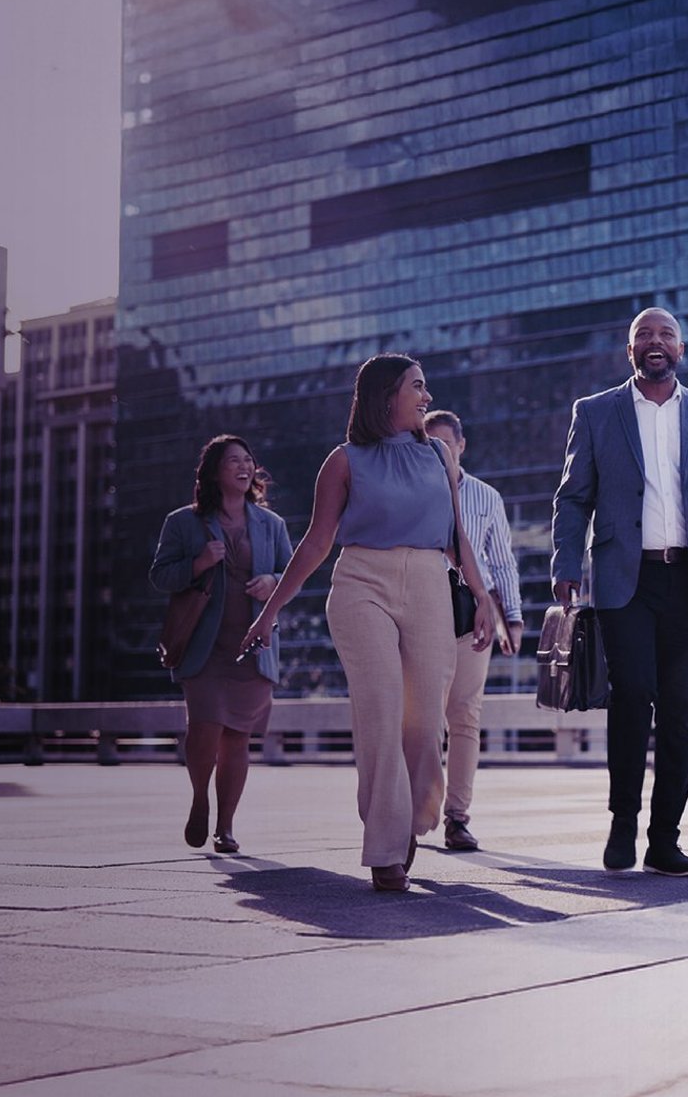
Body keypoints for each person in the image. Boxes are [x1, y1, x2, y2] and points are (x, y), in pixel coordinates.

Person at [241, 355, 495, 892]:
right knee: (381, 714)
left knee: (426, 722)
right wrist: (269, 613)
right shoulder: (344, 461)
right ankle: (384, 847)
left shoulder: (439, 455)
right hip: (361, 586)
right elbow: (316, 543)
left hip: (429, 584)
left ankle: (408, 818)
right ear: (387, 396)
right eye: (418, 387)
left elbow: (456, 536)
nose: (427, 397)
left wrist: (481, 594)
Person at [552, 306, 688, 876]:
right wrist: (566, 562)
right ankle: (623, 822)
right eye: (644, 335)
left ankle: (665, 839)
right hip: (624, 579)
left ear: (682, 351)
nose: (655, 341)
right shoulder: (595, 412)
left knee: (682, 712)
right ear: (630, 351)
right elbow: (572, 496)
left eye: (666, 334)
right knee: (632, 699)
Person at [149, 434, 293, 854]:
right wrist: (198, 563)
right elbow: (160, 576)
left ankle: (225, 826)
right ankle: (199, 798)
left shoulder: (272, 524)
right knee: (205, 728)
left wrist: (273, 582)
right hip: (204, 646)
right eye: (233, 461)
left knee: (237, 738)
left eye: (248, 461)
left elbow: (293, 575)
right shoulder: (183, 522)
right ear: (214, 471)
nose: (244, 467)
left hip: (253, 646)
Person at [422, 409, 524, 852]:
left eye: (446, 444)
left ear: (461, 445)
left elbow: (501, 561)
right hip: (420, 614)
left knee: (465, 718)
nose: (439, 452)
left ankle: (457, 819)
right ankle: (414, 807)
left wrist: (512, 619)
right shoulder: (412, 493)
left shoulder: (487, 497)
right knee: (421, 720)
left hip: (472, 615)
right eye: (430, 445)